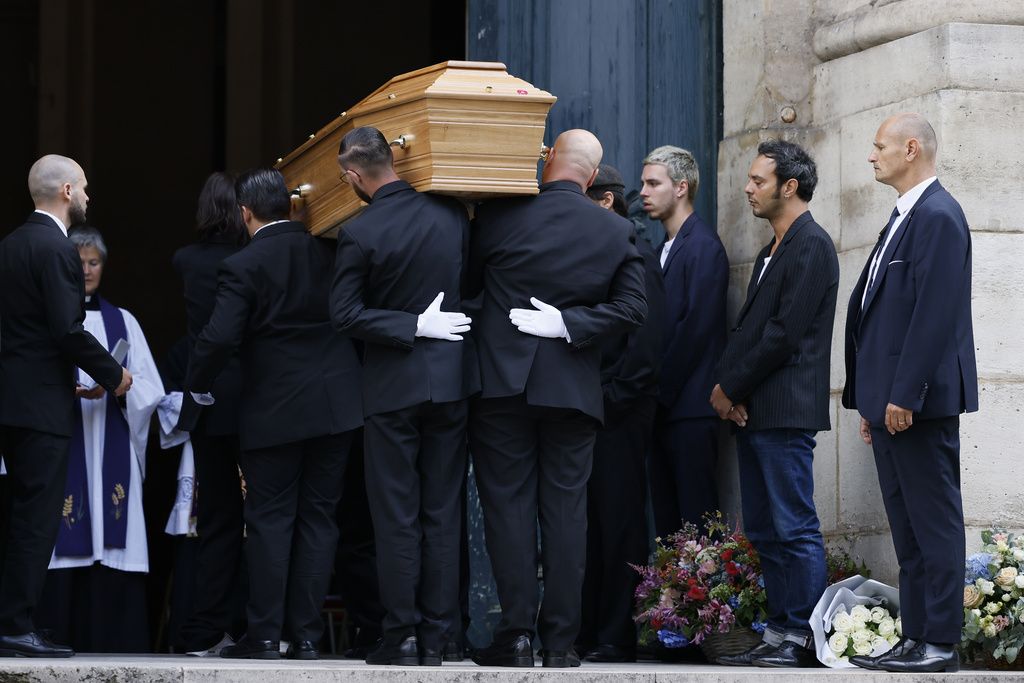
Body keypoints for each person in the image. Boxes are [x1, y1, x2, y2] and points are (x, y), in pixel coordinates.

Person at [466, 129, 647, 668]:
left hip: (503, 385)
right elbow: (634, 309)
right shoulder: (615, 231)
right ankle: (562, 644)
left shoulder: (498, 218)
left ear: (548, 161)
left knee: (508, 510)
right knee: (567, 514)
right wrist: (570, 323)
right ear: (594, 176)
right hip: (571, 391)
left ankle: (516, 635)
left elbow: (467, 283)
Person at [184, 169, 363, 660]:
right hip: (336, 407)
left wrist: (197, 388)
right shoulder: (331, 249)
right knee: (319, 519)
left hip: (274, 409)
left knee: (269, 520)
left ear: (245, 213)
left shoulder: (242, 264)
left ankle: (264, 636)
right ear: (290, 205)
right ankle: (306, 637)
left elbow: (217, 338)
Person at [330, 126, 476, 666]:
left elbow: (343, 315)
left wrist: (410, 325)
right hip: (451, 382)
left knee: (396, 516)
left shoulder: (360, 232)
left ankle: (404, 637)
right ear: (394, 161)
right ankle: (440, 637)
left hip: (392, 389)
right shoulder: (452, 216)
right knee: (441, 512)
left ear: (352, 176)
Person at [843, 113, 976, 674]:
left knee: (935, 524)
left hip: (918, 405)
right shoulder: (902, 216)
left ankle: (940, 641)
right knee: (907, 530)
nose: (872, 156)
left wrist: (905, 395)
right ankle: (917, 635)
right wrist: (871, 401)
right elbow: (879, 316)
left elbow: (933, 316)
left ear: (912, 149)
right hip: (892, 405)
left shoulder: (939, 215)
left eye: (880, 147)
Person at [711, 140, 838, 668]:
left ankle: (801, 636)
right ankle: (781, 629)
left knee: (794, 526)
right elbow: (750, 332)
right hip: (755, 411)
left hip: (785, 409)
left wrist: (728, 388)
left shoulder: (811, 244)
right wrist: (734, 392)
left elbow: (783, 335)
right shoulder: (770, 250)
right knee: (764, 529)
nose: (747, 188)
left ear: (790, 186)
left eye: (758, 180)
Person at [0, 155, 132, 658]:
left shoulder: (9, 245)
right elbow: (65, 329)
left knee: (16, 514)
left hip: (13, 399)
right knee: (37, 518)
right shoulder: (56, 249)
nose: (88, 198)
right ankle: (15, 625)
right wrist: (113, 374)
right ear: (68, 191)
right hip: (40, 407)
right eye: (85, 189)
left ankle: (15, 619)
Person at [32, 227, 163, 652]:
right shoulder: (45, 318)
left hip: (112, 439)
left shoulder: (123, 321)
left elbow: (150, 389)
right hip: (64, 438)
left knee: (112, 536)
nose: (86, 270)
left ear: (104, 267)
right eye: (79, 262)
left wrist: (116, 387)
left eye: (94, 262)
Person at [577, 164, 665, 663]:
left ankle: (616, 634)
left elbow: (646, 349)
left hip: (621, 413)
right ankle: (589, 630)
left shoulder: (636, 255)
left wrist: (608, 400)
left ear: (605, 202)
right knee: (591, 526)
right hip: (596, 411)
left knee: (620, 523)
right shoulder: (600, 254)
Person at [171, 172, 249, 655]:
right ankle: (261, 625)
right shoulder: (250, 259)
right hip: (256, 401)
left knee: (217, 519)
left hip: (207, 400)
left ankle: (205, 627)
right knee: (268, 519)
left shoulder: (186, 261)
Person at [640, 146, 729, 538]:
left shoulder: (704, 246)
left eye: (652, 183)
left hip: (690, 409)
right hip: (663, 409)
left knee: (697, 523)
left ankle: (703, 601)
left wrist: (655, 391)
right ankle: (669, 599)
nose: (643, 191)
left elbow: (696, 329)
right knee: (668, 522)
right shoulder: (662, 250)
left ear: (680, 187)